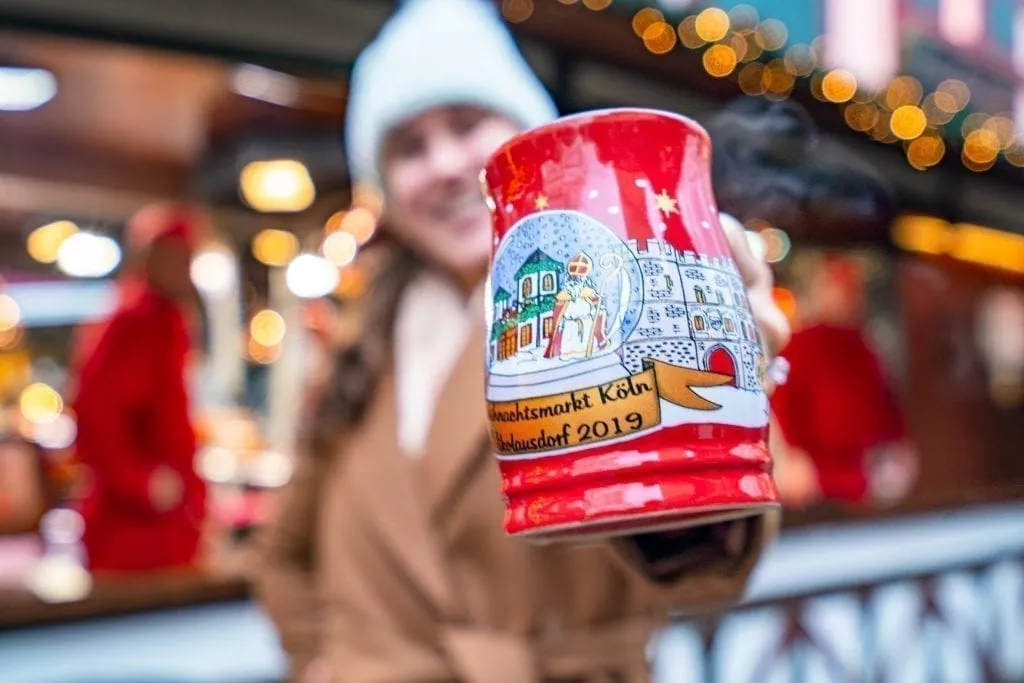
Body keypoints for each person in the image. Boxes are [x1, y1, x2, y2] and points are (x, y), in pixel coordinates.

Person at [253, 2, 790, 681]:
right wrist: (323, 662)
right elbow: (284, 552)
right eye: (409, 147)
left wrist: (711, 390)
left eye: (467, 123)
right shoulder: (363, 336)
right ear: (385, 188)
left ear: (529, 138)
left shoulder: (605, 301)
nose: (445, 163)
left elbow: (700, 566)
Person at [71, 203, 208, 573]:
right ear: (149, 258)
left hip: (167, 525)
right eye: (175, 256)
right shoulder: (132, 322)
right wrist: (143, 482)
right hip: (132, 531)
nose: (184, 267)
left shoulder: (169, 321)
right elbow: (95, 416)